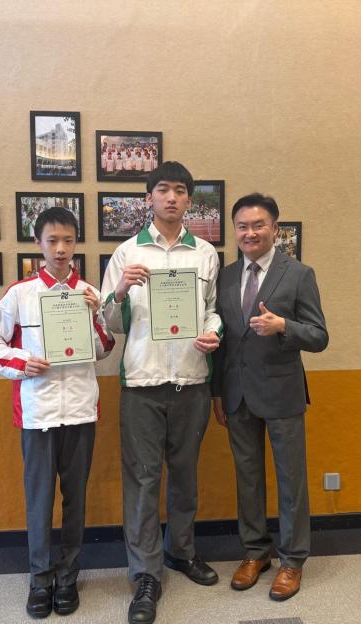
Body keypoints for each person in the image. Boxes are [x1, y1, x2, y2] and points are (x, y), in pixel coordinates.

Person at [0, 207, 115, 619]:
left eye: (68, 240)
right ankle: (40, 578)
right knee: (39, 499)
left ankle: (68, 576)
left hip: (80, 411)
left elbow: (105, 348)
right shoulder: (20, 294)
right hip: (38, 412)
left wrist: (96, 312)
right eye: (52, 240)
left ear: (76, 243)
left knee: (75, 498)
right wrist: (23, 362)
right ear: (38, 243)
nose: (60, 249)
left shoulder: (88, 292)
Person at [100, 161, 222, 624]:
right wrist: (120, 291)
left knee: (185, 475)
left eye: (180, 191)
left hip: (191, 380)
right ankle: (145, 574)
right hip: (142, 384)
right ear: (148, 197)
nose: (172, 198)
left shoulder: (205, 254)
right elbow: (109, 324)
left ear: (190, 199)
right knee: (144, 480)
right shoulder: (126, 253)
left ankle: (181, 551)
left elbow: (212, 310)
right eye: (164, 190)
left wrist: (213, 332)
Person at [212, 192, 329, 602]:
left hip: (282, 393)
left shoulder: (298, 274)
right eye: (242, 226)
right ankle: (255, 552)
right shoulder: (225, 276)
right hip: (237, 394)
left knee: (291, 479)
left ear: (274, 229)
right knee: (247, 478)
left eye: (258, 225)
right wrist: (217, 393)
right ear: (235, 231)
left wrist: (283, 326)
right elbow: (222, 341)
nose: (250, 233)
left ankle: (292, 560)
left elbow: (319, 336)